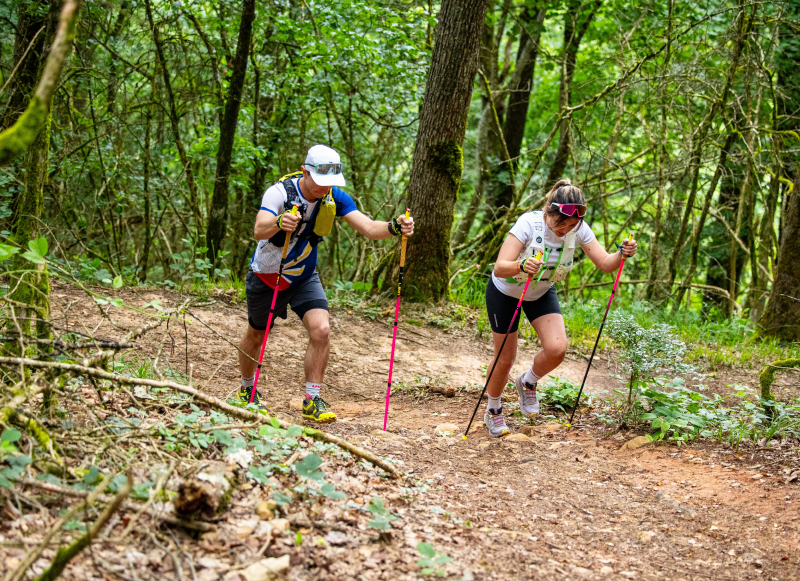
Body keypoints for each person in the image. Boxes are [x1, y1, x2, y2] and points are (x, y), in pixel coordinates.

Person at [237, 144, 414, 423]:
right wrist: (279, 221)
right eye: (320, 181)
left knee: (321, 330)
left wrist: (395, 226)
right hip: (267, 275)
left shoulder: (334, 196)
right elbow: (259, 229)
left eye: (330, 183)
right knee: (256, 335)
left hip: (304, 276)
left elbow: (368, 228)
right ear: (305, 172)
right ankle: (247, 390)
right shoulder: (279, 193)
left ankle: (312, 399)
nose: (324, 188)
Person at [482, 178, 637, 437]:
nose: (565, 229)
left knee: (557, 349)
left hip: (541, 290)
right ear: (548, 211)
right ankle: (494, 409)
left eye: (572, 225)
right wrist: (521, 265)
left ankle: (528, 381)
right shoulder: (528, 223)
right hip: (506, 291)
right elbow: (499, 266)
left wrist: (622, 252)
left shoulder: (580, 229)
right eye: (560, 223)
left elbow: (605, 263)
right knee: (505, 358)